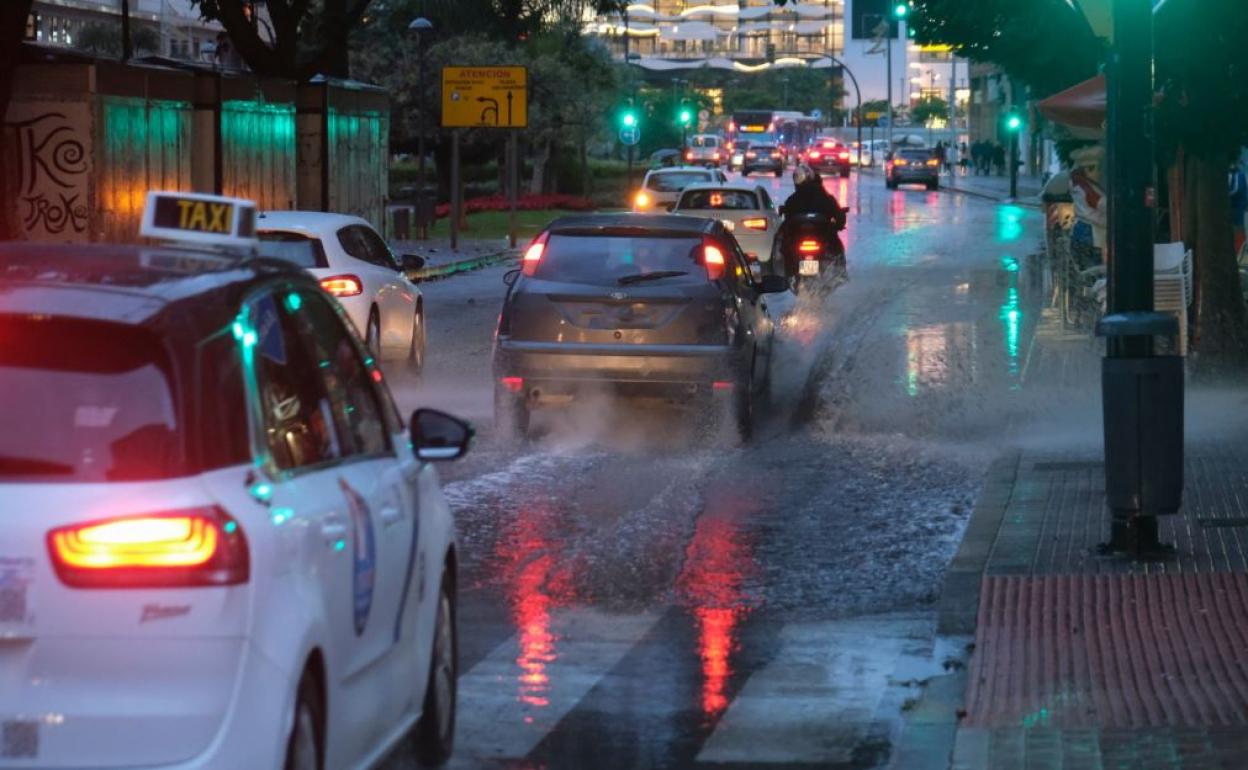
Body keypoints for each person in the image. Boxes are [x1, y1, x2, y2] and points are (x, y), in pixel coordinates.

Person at [779, 164, 846, 277]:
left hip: (815, 241)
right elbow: (838, 216)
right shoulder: (825, 197)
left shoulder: (793, 199)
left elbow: (786, 219)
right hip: (807, 242)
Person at [1230, 158, 1247, 253]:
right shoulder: (1238, 175)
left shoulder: (1239, 175)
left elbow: (1237, 190)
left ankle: (1238, 254)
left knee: (1238, 233)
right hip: (1238, 209)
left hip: (1237, 209)